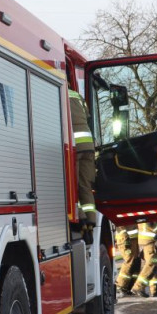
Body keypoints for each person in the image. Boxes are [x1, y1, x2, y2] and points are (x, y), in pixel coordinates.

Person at [67, 72, 96, 235]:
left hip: (74, 146)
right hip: (88, 146)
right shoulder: (77, 96)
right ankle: (90, 220)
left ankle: (80, 217)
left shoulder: (59, 93)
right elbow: (87, 116)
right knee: (85, 184)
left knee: (72, 183)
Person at [131, 220, 157, 297]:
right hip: (149, 242)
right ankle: (138, 287)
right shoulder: (147, 215)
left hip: (150, 241)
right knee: (152, 263)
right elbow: (152, 227)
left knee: (156, 263)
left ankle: (155, 288)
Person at [115, 224, 140, 296]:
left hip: (133, 241)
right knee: (129, 261)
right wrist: (126, 240)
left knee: (136, 262)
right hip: (126, 241)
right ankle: (120, 285)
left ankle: (129, 286)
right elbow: (120, 227)